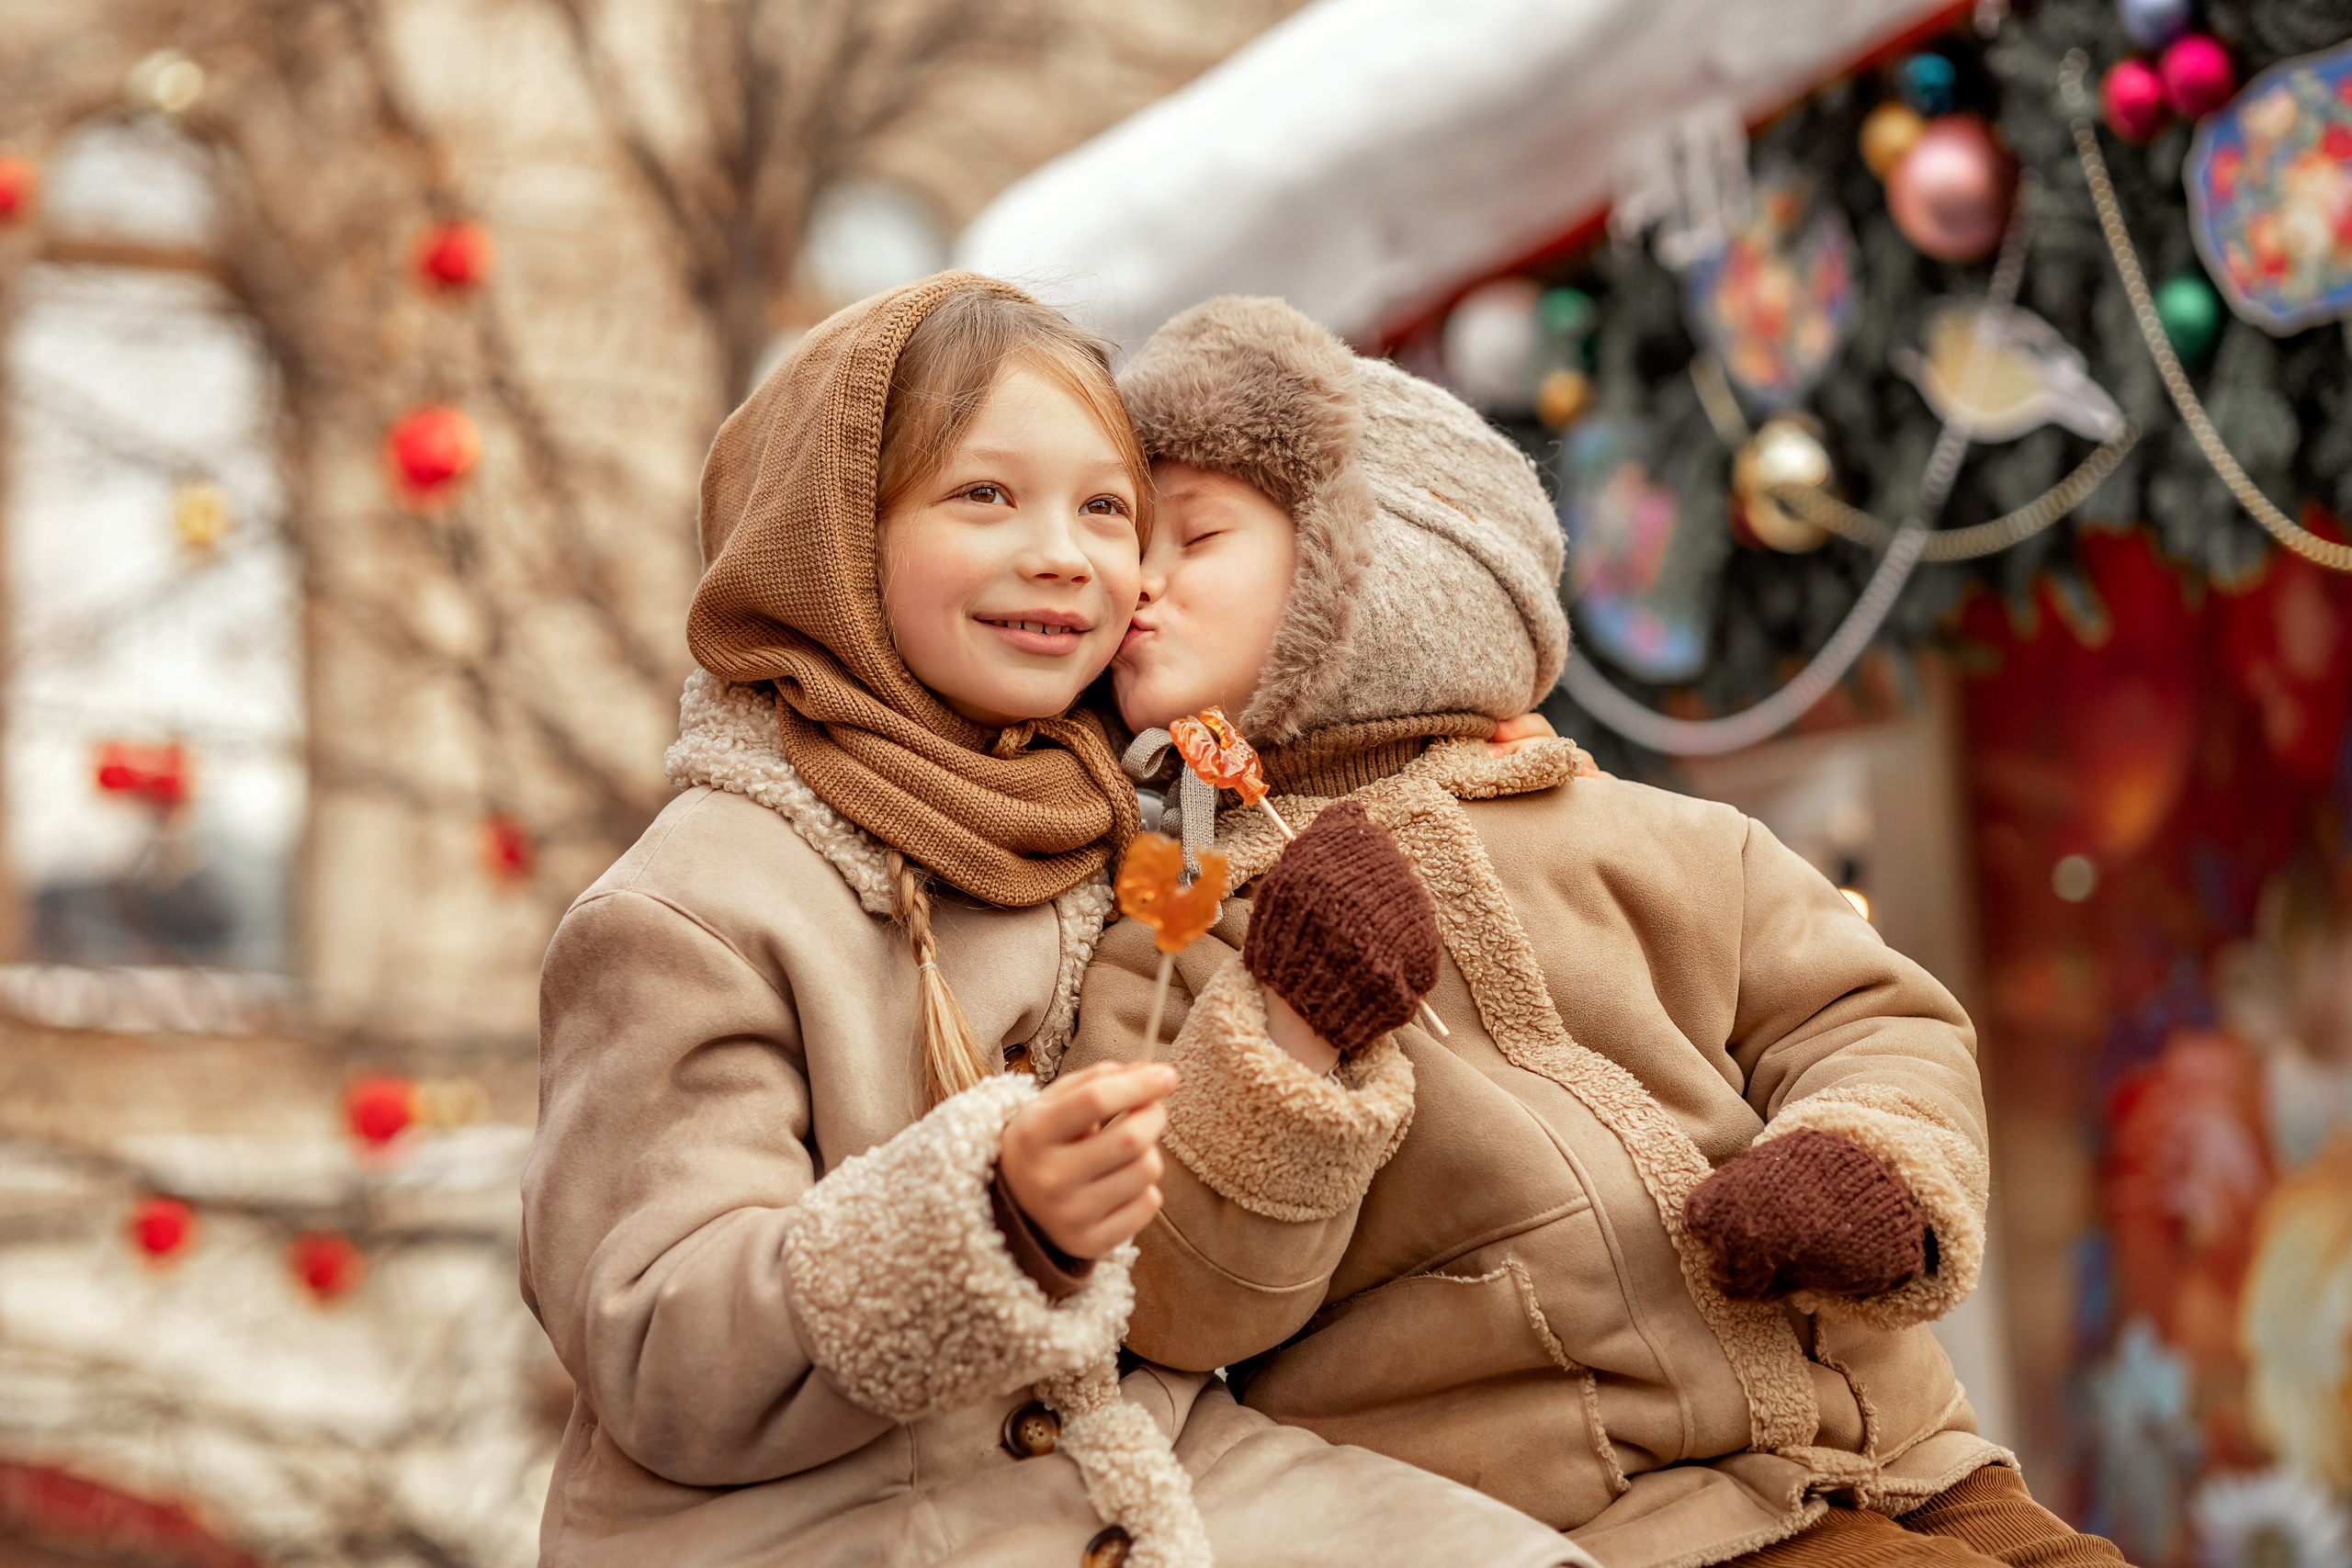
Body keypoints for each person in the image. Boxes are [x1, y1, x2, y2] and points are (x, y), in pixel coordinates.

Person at [519, 273, 1589, 1568]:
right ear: (833, 541)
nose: (1066, 555)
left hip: (1143, 1458)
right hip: (819, 1518)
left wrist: (1475, 764)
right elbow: (658, 1346)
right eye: (984, 495)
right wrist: (985, 1216)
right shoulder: (696, 908)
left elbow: (1303, 791)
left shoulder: (1115, 825)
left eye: (1105, 508)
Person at [1062, 293, 2131, 1568]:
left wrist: (1868, 1159)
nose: (1138, 580)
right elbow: (1185, 1301)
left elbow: (1870, 1015)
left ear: (1385, 571)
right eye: (1137, 540)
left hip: (1908, 1447)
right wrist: (1292, 1034)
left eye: (1199, 537)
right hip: (1604, 1519)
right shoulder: (1177, 920)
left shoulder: (1649, 834)